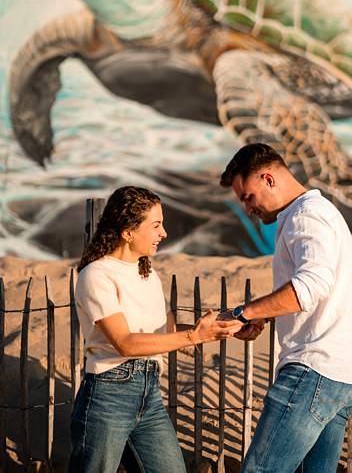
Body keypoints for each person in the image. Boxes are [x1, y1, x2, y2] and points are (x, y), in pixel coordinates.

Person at [218, 144, 352, 473]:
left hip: (314, 370)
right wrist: (266, 314)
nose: (248, 209)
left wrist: (246, 312)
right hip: (341, 374)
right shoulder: (313, 213)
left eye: (248, 197)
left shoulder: (307, 215)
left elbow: (311, 286)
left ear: (268, 178)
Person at [71, 186, 241, 473]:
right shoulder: (96, 275)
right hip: (108, 395)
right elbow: (125, 343)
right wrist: (196, 336)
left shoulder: (148, 274)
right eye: (156, 225)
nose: (164, 233)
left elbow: (167, 331)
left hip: (149, 395)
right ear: (128, 231)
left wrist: (220, 329)